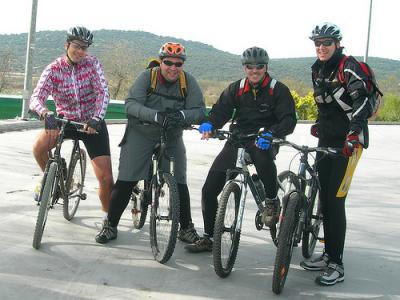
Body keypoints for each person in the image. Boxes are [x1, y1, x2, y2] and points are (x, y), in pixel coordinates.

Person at [185, 46, 297, 253]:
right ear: (244, 68)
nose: (255, 71)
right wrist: (211, 124)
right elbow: (220, 112)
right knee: (209, 190)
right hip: (237, 140)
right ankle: (209, 237)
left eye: (259, 67)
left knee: (262, 158)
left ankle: (271, 199)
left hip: (264, 139)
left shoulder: (277, 89)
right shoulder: (236, 88)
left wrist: (272, 133)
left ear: (266, 67)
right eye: (250, 67)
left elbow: (288, 120)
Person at [95, 42, 206, 244]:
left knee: (179, 179)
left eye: (178, 64)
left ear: (183, 64)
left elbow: (199, 111)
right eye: (168, 62)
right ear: (161, 61)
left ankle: (186, 228)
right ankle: (110, 225)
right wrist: (155, 116)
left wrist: (181, 115)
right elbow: (130, 104)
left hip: (172, 135)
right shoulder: (148, 77)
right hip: (142, 132)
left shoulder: (188, 82)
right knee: (127, 178)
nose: (173, 67)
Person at [300, 22, 370, 286]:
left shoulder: (349, 66)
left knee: (334, 201)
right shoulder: (317, 69)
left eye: (326, 43)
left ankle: (336, 264)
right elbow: (326, 104)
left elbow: (361, 101)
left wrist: (352, 135)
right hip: (327, 141)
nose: (321, 47)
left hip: (349, 144)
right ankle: (327, 252)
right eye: (317, 43)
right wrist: (320, 125)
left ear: (337, 44)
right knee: (323, 198)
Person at [29, 26, 114, 222]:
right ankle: (51, 181)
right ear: (67, 45)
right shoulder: (54, 69)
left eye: (85, 48)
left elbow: (103, 92)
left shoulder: (93, 64)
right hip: (64, 120)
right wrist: (45, 113)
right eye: (77, 46)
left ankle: (109, 220)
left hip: (91, 123)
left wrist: (96, 118)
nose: (81, 52)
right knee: (38, 148)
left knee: (106, 179)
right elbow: (37, 97)